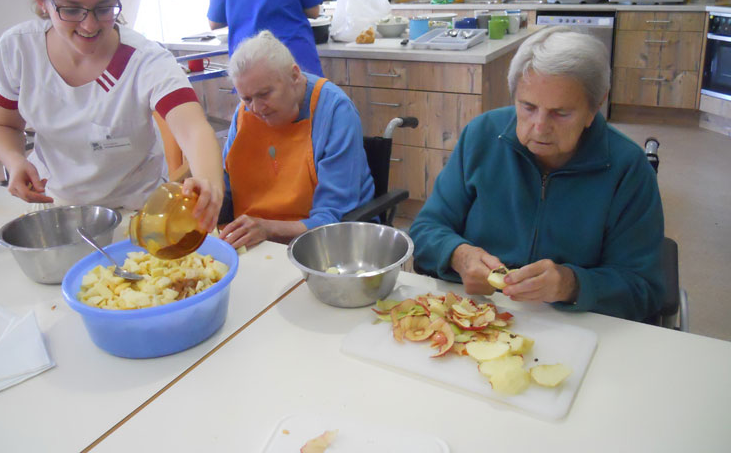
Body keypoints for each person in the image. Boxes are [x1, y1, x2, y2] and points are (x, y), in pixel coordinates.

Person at [409, 27, 665, 322]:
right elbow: (425, 230)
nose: (540, 127)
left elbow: (644, 290)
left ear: (595, 107)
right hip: (476, 316)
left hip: (574, 327)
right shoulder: (481, 136)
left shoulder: (628, 170)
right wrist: (458, 255)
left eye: (561, 113)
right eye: (528, 107)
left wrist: (572, 284)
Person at [0, 0, 222, 229]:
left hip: (136, 215)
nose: (89, 24)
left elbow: (194, 128)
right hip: (60, 212)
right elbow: (3, 125)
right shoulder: (18, 49)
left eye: (104, 8)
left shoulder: (144, 59)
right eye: (71, 9)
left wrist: (210, 184)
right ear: (42, 1)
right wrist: (16, 162)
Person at [215, 30, 373, 249]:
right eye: (247, 98)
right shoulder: (245, 113)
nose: (257, 108)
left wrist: (267, 229)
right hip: (254, 243)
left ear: (295, 75)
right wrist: (205, 197)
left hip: (321, 246)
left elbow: (333, 219)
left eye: (265, 94)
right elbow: (227, 186)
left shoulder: (335, 111)